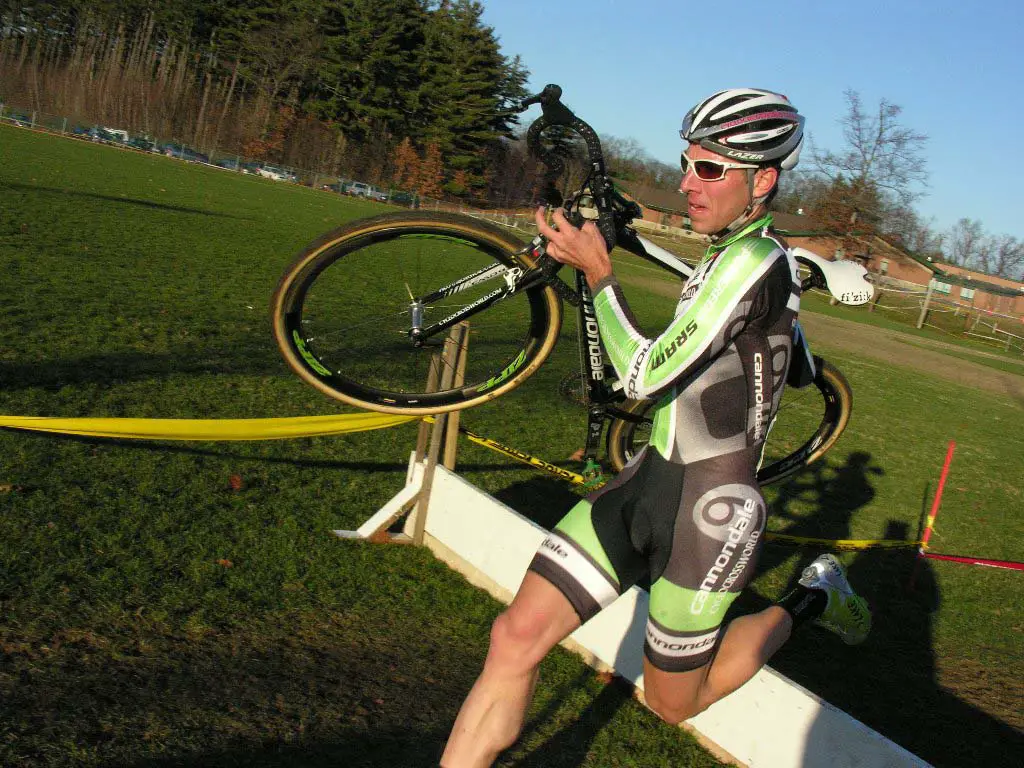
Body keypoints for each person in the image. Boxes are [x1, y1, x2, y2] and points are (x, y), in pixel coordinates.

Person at [440, 88, 871, 768]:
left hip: (709, 514)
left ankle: (811, 597)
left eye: (709, 171)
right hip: (644, 485)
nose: (686, 183)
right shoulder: (736, 256)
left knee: (671, 704)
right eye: (687, 163)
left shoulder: (754, 260)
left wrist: (599, 270)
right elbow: (787, 362)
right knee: (514, 636)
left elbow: (641, 377)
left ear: (763, 181)